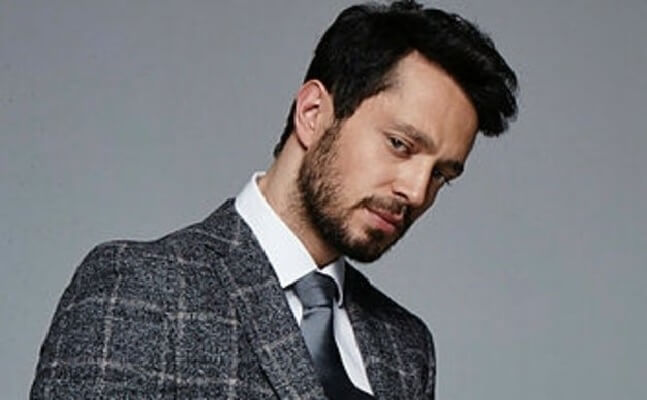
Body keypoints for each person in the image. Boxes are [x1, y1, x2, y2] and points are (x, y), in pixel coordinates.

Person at [31, 1, 517, 398]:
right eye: (400, 145)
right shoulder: (142, 288)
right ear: (313, 113)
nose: (416, 191)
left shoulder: (405, 347)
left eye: (442, 174)